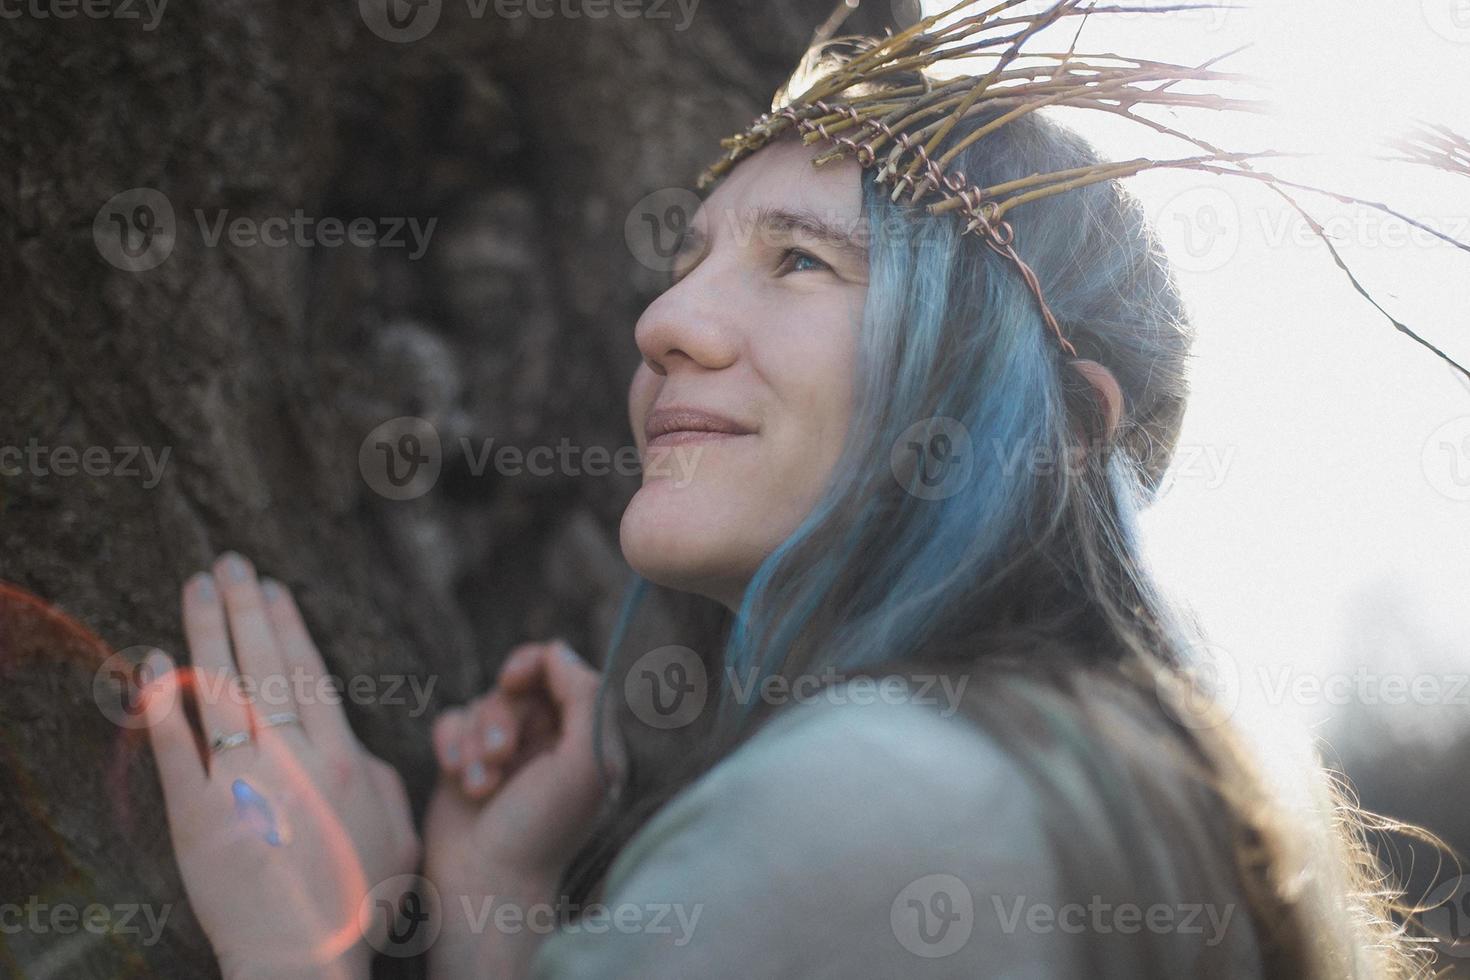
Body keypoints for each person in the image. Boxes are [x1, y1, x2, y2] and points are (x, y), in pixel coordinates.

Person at [139, 55, 1439, 980]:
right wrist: (496, 897)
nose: (665, 325)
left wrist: (290, 941)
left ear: (1057, 427)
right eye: (688, 260)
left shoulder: (874, 802)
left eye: (799, 259)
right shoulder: (1094, 791)